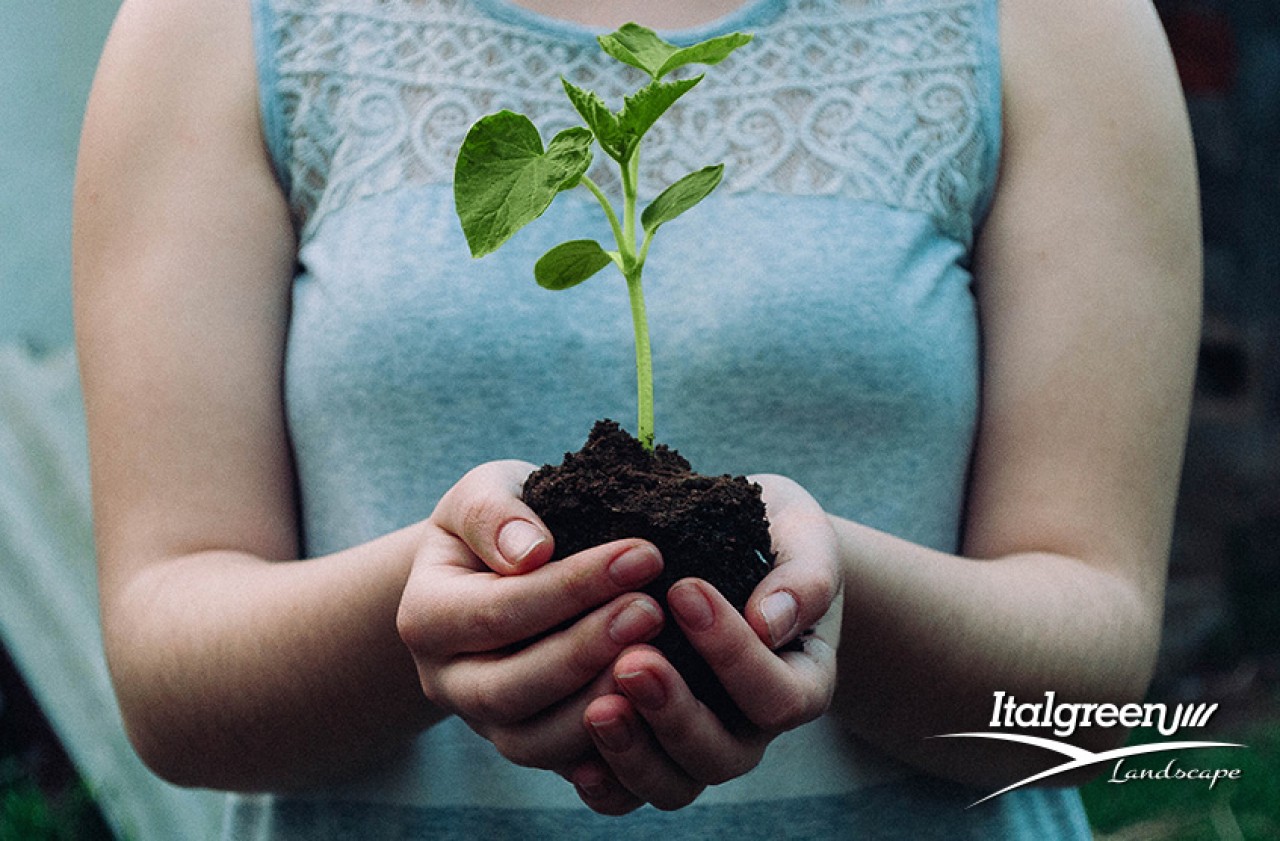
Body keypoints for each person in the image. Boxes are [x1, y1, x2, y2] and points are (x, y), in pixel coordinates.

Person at [72, 0, 1201, 837]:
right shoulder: (219, 26)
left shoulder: (1055, 24)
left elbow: (1086, 695)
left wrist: (829, 593)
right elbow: (172, 685)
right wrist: (427, 615)